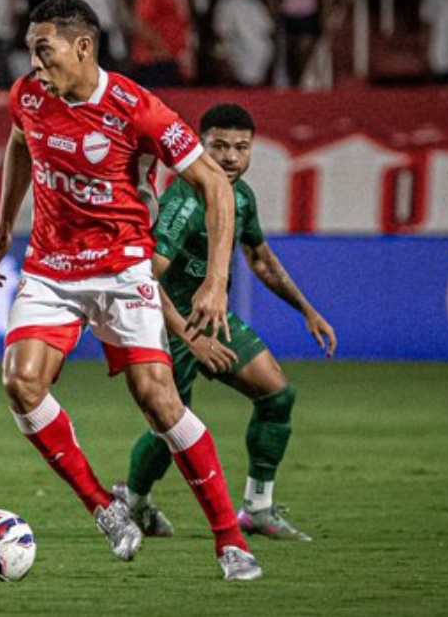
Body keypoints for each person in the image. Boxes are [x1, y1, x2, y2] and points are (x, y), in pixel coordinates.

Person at [0, 0, 262, 581]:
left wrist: (216, 281)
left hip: (123, 266)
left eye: (43, 50)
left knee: (158, 399)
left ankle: (230, 541)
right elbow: (21, 142)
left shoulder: (136, 108)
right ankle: (103, 507)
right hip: (52, 266)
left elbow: (216, 185)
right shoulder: (27, 95)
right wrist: (4, 224)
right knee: (20, 383)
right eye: (31, 51)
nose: (34, 64)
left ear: (82, 47)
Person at [114, 102, 336, 543]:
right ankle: (134, 502)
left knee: (277, 395)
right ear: (199, 146)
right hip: (164, 324)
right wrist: (190, 338)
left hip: (210, 319)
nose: (231, 157)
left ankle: (257, 508)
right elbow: (143, 279)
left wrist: (306, 309)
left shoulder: (241, 196)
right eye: (219, 146)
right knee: (172, 427)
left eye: (241, 147)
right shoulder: (183, 202)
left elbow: (260, 258)